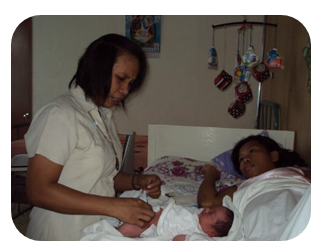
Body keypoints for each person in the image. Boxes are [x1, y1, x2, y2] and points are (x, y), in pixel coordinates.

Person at [24, 34, 162, 241]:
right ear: (97, 68)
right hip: (60, 232)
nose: (125, 90)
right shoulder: (60, 114)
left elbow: (105, 177)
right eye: (121, 78)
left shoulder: (102, 116)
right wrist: (114, 206)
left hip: (96, 230)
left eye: (130, 83)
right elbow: (38, 191)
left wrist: (138, 181)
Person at [197, 135, 310, 208]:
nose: (245, 159)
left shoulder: (295, 172)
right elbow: (207, 202)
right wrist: (210, 174)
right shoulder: (243, 186)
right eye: (241, 159)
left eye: (252, 151)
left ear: (273, 155)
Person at [116, 200, 234, 240]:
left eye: (211, 214)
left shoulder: (196, 234)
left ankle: (116, 231)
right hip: (155, 210)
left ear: (210, 233)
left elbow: (178, 240)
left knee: (127, 230)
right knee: (132, 206)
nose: (207, 209)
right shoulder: (199, 214)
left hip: (151, 226)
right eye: (211, 208)